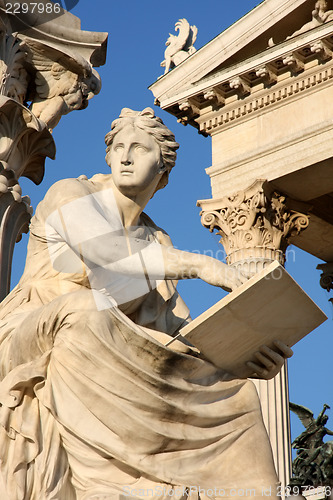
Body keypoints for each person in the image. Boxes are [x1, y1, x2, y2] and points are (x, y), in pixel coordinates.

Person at [0, 108, 292, 500]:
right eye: (118, 147)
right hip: (33, 333)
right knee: (87, 308)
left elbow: (177, 338)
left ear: (163, 172)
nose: (124, 156)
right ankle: (99, 486)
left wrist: (241, 356)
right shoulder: (72, 194)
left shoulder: (157, 241)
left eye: (139, 148)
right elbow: (108, 254)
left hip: (108, 343)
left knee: (236, 392)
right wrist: (202, 263)